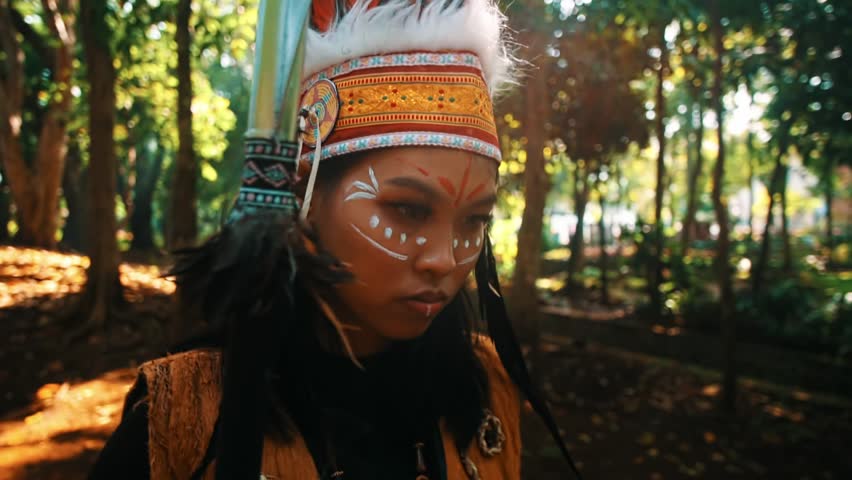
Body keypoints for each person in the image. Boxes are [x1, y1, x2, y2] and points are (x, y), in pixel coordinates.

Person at [89, 0, 579, 479]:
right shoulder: (185, 418)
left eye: (475, 221)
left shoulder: (488, 387)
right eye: (407, 210)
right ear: (303, 194)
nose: (443, 260)